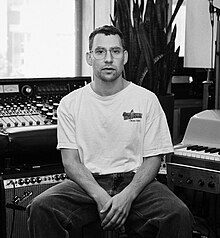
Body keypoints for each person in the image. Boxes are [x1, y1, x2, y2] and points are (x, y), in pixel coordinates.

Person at [27, 25, 194, 238]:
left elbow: (153, 159)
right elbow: (71, 162)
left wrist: (127, 197)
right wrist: (101, 197)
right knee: (41, 208)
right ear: (89, 57)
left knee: (178, 214)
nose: (108, 58)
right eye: (100, 52)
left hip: (135, 183)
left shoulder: (146, 100)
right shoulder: (70, 103)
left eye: (115, 51)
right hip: (87, 185)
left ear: (124, 57)